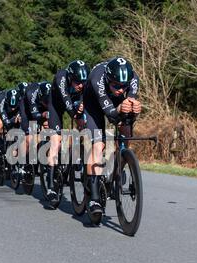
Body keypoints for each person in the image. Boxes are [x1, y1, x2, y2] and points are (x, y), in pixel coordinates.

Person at [82, 57, 142, 216]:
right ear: (108, 79)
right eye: (116, 86)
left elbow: (127, 111)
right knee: (98, 145)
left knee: (126, 132)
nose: (121, 90)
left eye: (124, 86)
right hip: (94, 103)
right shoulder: (97, 80)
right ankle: (94, 198)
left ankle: (119, 164)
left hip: (115, 102)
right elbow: (111, 114)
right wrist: (121, 107)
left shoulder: (134, 79)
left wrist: (134, 109)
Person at [45, 60, 90, 206]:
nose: (80, 85)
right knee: (55, 142)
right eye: (77, 82)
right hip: (57, 105)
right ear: (70, 78)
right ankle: (51, 186)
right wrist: (76, 114)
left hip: (76, 102)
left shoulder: (83, 83)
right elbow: (67, 103)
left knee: (85, 127)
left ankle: (77, 154)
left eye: (83, 82)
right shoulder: (61, 78)